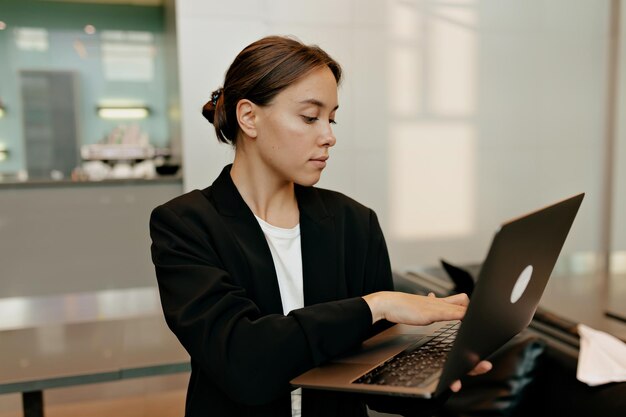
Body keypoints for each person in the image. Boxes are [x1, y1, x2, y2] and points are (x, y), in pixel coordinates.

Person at [149, 35, 491, 417]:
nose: (328, 136)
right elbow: (244, 363)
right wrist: (375, 305)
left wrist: (435, 371)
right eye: (310, 117)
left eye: (331, 118)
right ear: (249, 117)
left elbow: (372, 380)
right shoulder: (185, 224)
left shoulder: (354, 222)